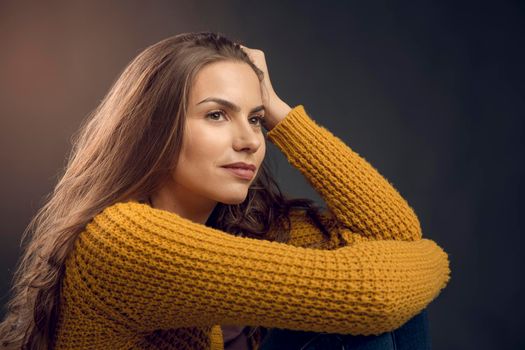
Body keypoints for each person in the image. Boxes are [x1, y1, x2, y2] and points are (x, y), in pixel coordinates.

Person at [0, 32, 451, 350]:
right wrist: (435, 257)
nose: (251, 141)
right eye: (217, 115)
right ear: (154, 129)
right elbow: (374, 294)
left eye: (255, 119)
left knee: (382, 312)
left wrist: (279, 111)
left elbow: (393, 233)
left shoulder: (238, 227)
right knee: (369, 316)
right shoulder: (123, 239)